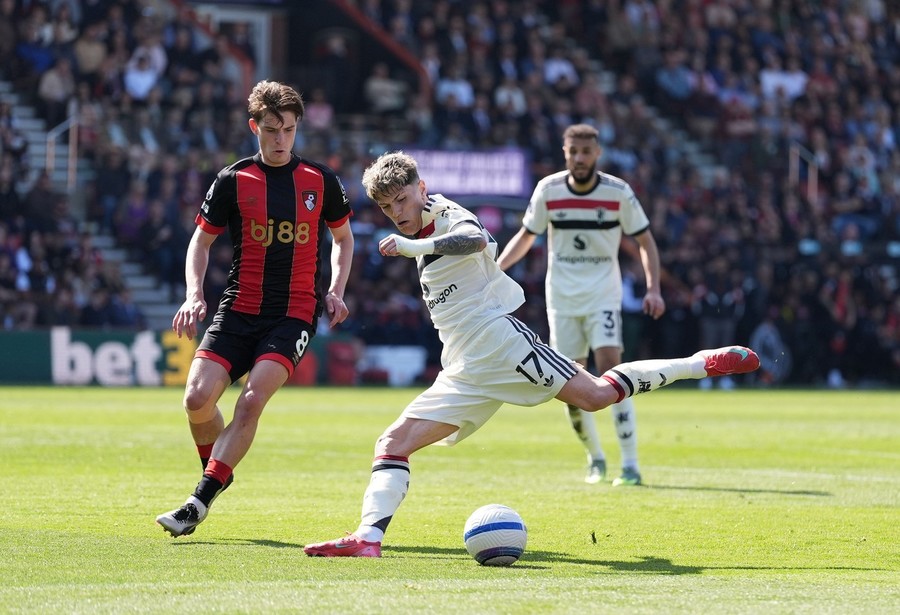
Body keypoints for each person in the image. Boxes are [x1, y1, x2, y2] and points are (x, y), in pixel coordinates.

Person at [302, 151, 758, 557]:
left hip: (501, 341)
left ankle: (701, 363)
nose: (396, 213)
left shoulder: (443, 213)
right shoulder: (417, 224)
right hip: (462, 366)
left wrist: (414, 245)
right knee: (391, 445)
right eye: (386, 207)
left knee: (596, 395)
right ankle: (368, 539)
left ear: (421, 189)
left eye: (402, 199)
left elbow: (475, 240)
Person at [156, 80, 355, 537]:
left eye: (288, 129)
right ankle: (218, 472)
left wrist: (337, 288)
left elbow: (343, 239)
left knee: (251, 400)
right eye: (272, 129)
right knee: (196, 400)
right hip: (238, 309)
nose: (281, 139)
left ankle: (197, 501)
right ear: (255, 127)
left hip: (293, 313)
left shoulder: (320, 181)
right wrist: (193, 293)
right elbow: (200, 242)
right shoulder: (232, 179)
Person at [496, 124, 665, 487]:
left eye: (586, 152)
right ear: (565, 152)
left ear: (597, 154)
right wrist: (496, 272)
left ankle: (631, 463)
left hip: (603, 294)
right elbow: (527, 236)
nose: (580, 159)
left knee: (610, 367)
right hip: (562, 298)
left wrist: (653, 288)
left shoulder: (618, 193)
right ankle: (595, 458)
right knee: (571, 380)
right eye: (573, 152)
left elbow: (646, 242)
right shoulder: (549, 190)